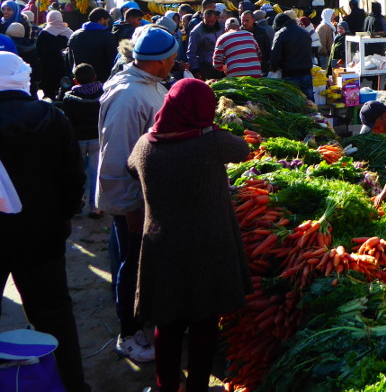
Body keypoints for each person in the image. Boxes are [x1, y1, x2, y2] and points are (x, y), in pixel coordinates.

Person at [128, 78, 252, 392]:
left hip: (162, 245)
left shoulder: (145, 146)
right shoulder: (212, 143)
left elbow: (131, 166)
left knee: (167, 323)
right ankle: (197, 386)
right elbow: (243, 150)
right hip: (207, 246)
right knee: (203, 323)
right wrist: (207, 132)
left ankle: (167, 385)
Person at [0, 52, 90, 392]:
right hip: (43, 235)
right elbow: (74, 176)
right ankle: (72, 384)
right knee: (54, 316)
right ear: (23, 79)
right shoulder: (52, 118)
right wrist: (64, 215)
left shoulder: (54, 116)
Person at [98, 26, 180, 363]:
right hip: (134, 200)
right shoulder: (128, 96)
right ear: (160, 61)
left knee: (140, 263)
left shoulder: (149, 84)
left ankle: (143, 317)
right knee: (131, 266)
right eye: (173, 56)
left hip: (148, 196)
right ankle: (128, 334)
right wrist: (129, 205)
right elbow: (117, 156)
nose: (176, 60)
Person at [61, 63, 105, 219]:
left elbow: (67, 121)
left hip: (77, 140)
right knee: (96, 173)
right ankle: (96, 208)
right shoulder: (104, 93)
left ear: (75, 81)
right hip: (97, 139)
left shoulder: (68, 98)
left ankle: (77, 203)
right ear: (94, 76)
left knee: (77, 173)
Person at [270, 12, 315, 100]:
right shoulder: (305, 32)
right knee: (309, 101)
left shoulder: (281, 33)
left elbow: (275, 55)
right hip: (306, 72)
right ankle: (314, 113)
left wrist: (273, 68)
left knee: (293, 101)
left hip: (290, 74)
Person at [67, 7, 118, 82]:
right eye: (107, 21)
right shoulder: (108, 36)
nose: (107, 25)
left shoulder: (74, 35)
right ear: (102, 19)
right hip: (101, 80)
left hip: (79, 79)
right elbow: (112, 60)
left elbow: (70, 60)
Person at [186, 8, 225, 80]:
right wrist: (195, 69)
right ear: (203, 18)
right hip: (206, 67)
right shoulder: (196, 32)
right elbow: (191, 52)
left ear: (216, 18)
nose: (210, 24)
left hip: (222, 64)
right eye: (208, 21)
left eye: (212, 22)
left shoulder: (222, 27)